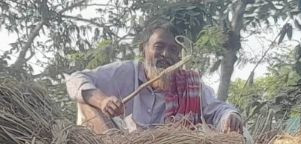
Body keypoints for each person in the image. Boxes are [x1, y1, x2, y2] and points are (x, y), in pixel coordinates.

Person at [66, 25, 244, 134]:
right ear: (144, 49)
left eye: (174, 50)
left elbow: (218, 108)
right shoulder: (126, 71)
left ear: (179, 57)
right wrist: (102, 100)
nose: (166, 54)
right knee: (86, 101)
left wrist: (229, 116)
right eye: (159, 47)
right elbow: (74, 79)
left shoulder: (190, 85)